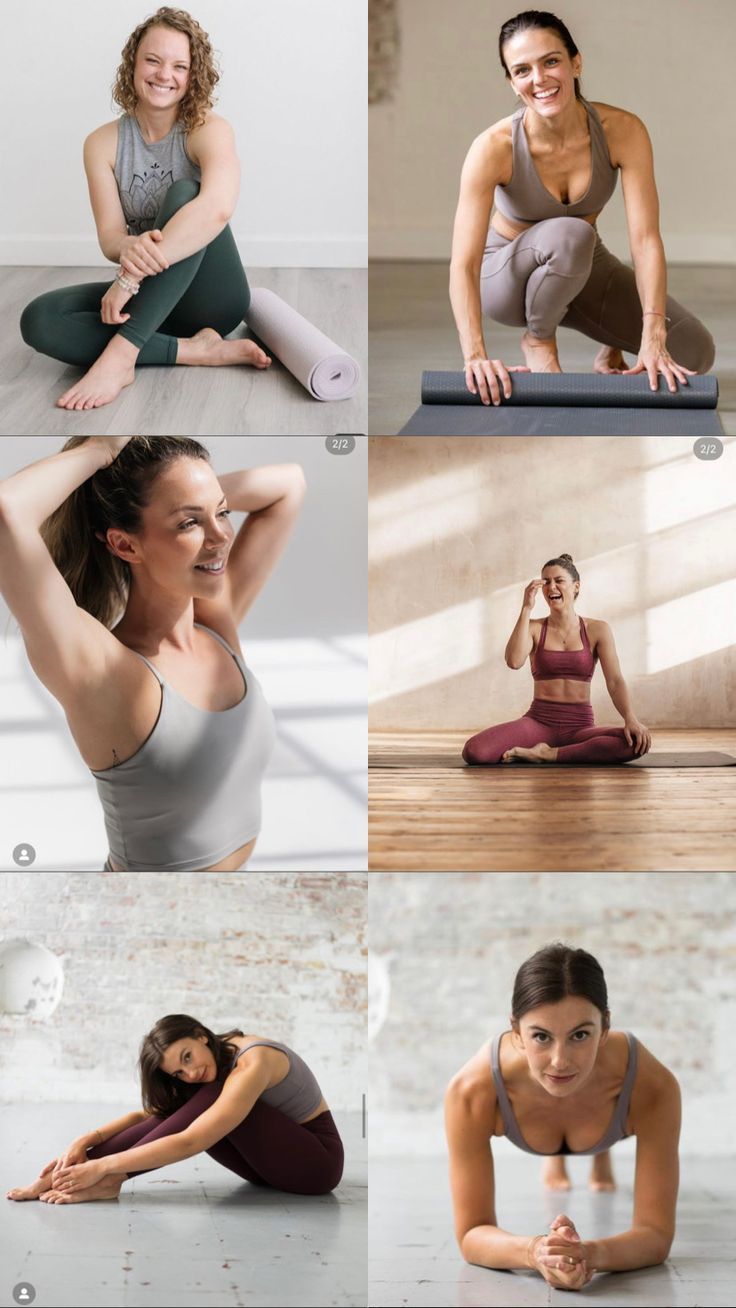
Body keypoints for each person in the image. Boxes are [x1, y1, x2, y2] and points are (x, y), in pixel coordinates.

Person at [0, 436, 306, 870]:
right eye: (189, 525)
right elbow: (7, 510)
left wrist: (185, 502)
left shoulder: (214, 629)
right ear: (125, 545)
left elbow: (289, 484)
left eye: (223, 512)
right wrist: (101, 450)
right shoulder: (106, 671)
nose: (221, 536)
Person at [449, 8, 715, 407]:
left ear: (576, 62)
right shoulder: (493, 148)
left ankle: (608, 345)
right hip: (505, 277)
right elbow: (464, 264)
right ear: (511, 82)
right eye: (522, 70)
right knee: (573, 234)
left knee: (694, 353)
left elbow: (644, 241)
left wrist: (652, 335)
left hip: (582, 265)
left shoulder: (623, 131)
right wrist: (475, 357)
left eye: (551, 61)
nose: (539, 79)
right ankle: (538, 339)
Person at [19, 6, 271, 411]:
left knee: (186, 194)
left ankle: (122, 356)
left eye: (179, 66)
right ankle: (194, 350)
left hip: (212, 300)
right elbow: (111, 236)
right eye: (152, 60)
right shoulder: (101, 143)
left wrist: (130, 277)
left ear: (193, 75)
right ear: (133, 64)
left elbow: (217, 209)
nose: (163, 75)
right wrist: (126, 251)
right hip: (153, 304)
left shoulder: (209, 129)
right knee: (41, 318)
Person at [445, 943, 681, 1289]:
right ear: (515, 1032)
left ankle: (600, 1152)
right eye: (540, 1036)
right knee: (566, 1108)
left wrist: (589, 1254)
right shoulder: (472, 1091)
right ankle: (558, 1157)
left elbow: (656, 1235)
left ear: (606, 1027)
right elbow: (470, 1234)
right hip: (541, 1107)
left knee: (592, 1136)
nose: (560, 1060)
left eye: (580, 1035)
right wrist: (536, 1251)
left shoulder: (653, 1086)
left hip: (609, 1104)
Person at [6, 1014, 344, 1204]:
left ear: (200, 1036)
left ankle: (107, 1180)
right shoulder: (212, 1066)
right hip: (266, 1169)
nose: (190, 1072)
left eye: (187, 1057)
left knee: (217, 1099)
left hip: (316, 1165)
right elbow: (152, 1116)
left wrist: (107, 1167)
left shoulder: (253, 1062)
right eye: (179, 1072)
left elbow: (191, 1140)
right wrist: (86, 1140)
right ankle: (62, 1176)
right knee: (188, 1104)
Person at [462, 553, 651, 764]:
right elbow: (514, 661)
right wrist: (526, 608)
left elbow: (615, 681)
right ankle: (560, 752)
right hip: (538, 722)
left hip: (580, 726)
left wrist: (630, 719)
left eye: (559, 581)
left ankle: (547, 754)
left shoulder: (598, 629)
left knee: (636, 742)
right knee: (474, 752)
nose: (551, 587)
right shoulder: (534, 627)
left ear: (576, 586)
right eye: (546, 582)